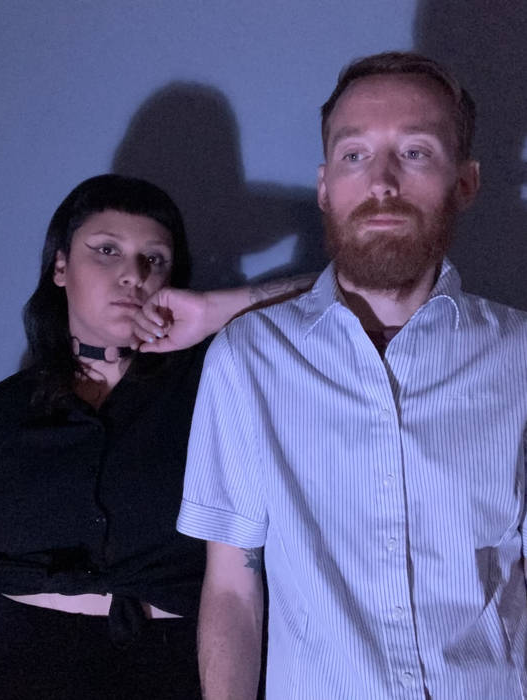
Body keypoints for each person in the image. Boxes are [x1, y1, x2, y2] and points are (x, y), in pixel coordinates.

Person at [176, 52, 527, 699]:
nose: (382, 182)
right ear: (324, 185)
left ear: (466, 182)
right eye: (355, 155)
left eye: (415, 152)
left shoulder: (519, 358)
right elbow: (232, 589)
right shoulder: (248, 360)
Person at [0, 173, 314, 699]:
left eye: (154, 258)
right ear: (61, 267)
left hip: (169, 670)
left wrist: (212, 310)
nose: (133, 274)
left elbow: (343, 292)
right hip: (9, 670)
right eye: (106, 250)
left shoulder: (215, 394)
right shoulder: (2, 412)